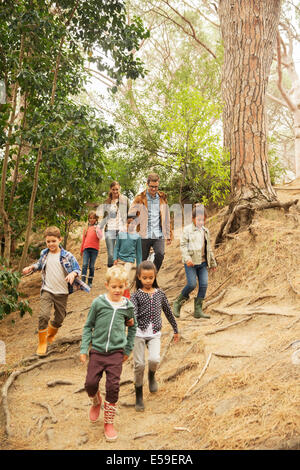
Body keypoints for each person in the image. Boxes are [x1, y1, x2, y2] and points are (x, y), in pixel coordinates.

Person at [80, 265, 136, 442]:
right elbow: (88, 326)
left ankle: (109, 422)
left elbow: (132, 327)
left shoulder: (128, 306)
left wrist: (127, 349)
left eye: (121, 286)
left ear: (126, 286)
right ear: (107, 285)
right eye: (114, 286)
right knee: (90, 384)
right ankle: (96, 401)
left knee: (113, 387)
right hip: (97, 351)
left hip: (116, 353)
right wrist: (84, 349)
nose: (117, 290)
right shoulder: (99, 303)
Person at [22, 226, 90, 356]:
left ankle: (51, 333)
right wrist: (32, 267)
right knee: (43, 315)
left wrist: (73, 274)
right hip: (47, 290)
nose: (51, 244)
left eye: (53, 241)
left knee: (59, 318)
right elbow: (40, 264)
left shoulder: (67, 256)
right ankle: (42, 343)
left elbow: (77, 269)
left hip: (62, 292)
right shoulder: (44, 253)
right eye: (48, 242)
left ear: (60, 240)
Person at [130, 260, 179, 412]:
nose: (148, 281)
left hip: (155, 333)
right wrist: (133, 323)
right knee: (139, 365)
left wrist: (175, 328)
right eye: (144, 278)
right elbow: (133, 312)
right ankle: (139, 394)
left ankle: (151, 375)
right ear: (139, 277)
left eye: (150, 278)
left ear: (155, 276)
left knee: (154, 359)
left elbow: (168, 311)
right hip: (139, 333)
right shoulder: (136, 295)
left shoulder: (160, 294)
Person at [173, 205, 217, 319]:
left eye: (203, 220)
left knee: (204, 284)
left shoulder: (206, 231)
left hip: (202, 263)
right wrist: (187, 259)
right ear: (193, 219)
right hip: (191, 263)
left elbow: (208, 248)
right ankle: (178, 302)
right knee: (192, 284)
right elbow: (183, 246)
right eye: (198, 219)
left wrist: (212, 263)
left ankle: (198, 310)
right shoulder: (187, 230)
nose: (201, 222)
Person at [129, 173, 172, 273]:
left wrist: (168, 235)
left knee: (160, 254)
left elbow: (166, 217)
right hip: (144, 234)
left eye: (156, 187)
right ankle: (140, 282)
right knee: (142, 261)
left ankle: (152, 276)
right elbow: (131, 214)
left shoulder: (162, 198)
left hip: (158, 234)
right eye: (152, 186)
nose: (154, 189)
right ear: (147, 184)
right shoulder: (140, 198)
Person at [97, 181, 129, 268]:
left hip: (121, 229)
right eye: (113, 189)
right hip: (109, 229)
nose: (115, 191)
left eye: (117, 189)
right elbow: (105, 216)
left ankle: (118, 275)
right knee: (111, 254)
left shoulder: (124, 200)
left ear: (119, 189)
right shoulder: (107, 201)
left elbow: (129, 214)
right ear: (110, 189)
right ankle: (111, 272)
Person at [113, 214, 142, 299]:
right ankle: (119, 295)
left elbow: (139, 252)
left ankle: (127, 297)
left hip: (130, 260)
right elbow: (116, 247)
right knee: (118, 277)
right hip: (120, 259)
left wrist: (139, 266)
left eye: (132, 223)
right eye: (128, 223)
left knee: (126, 276)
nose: (130, 225)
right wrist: (115, 258)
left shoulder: (137, 237)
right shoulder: (121, 234)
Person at [80, 211, 103, 288]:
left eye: (93, 218)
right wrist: (81, 250)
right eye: (90, 218)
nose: (92, 219)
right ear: (88, 219)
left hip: (94, 249)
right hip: (86, 248)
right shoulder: (86, 228)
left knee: (91, 266)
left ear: (96, 219)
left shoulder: (98, 227)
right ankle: (83, 281)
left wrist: (97, 230)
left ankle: (90, 281)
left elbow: (100, 237)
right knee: (84, 265)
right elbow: (83, 240)